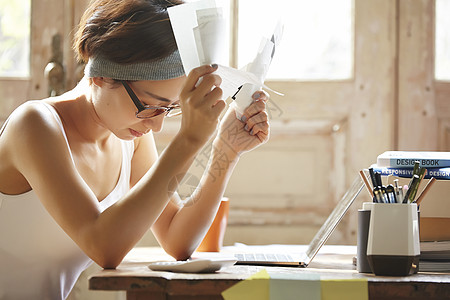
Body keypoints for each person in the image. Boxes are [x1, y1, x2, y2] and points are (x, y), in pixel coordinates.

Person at [0, 0, 270, 299]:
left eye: (169, 109)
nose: (155, 126)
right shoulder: (35, 125)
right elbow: (104, 246)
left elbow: (176, 237)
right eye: (150, 106)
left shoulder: (129, 136)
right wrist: (189, 140)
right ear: (100, 75)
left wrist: (225, 149)